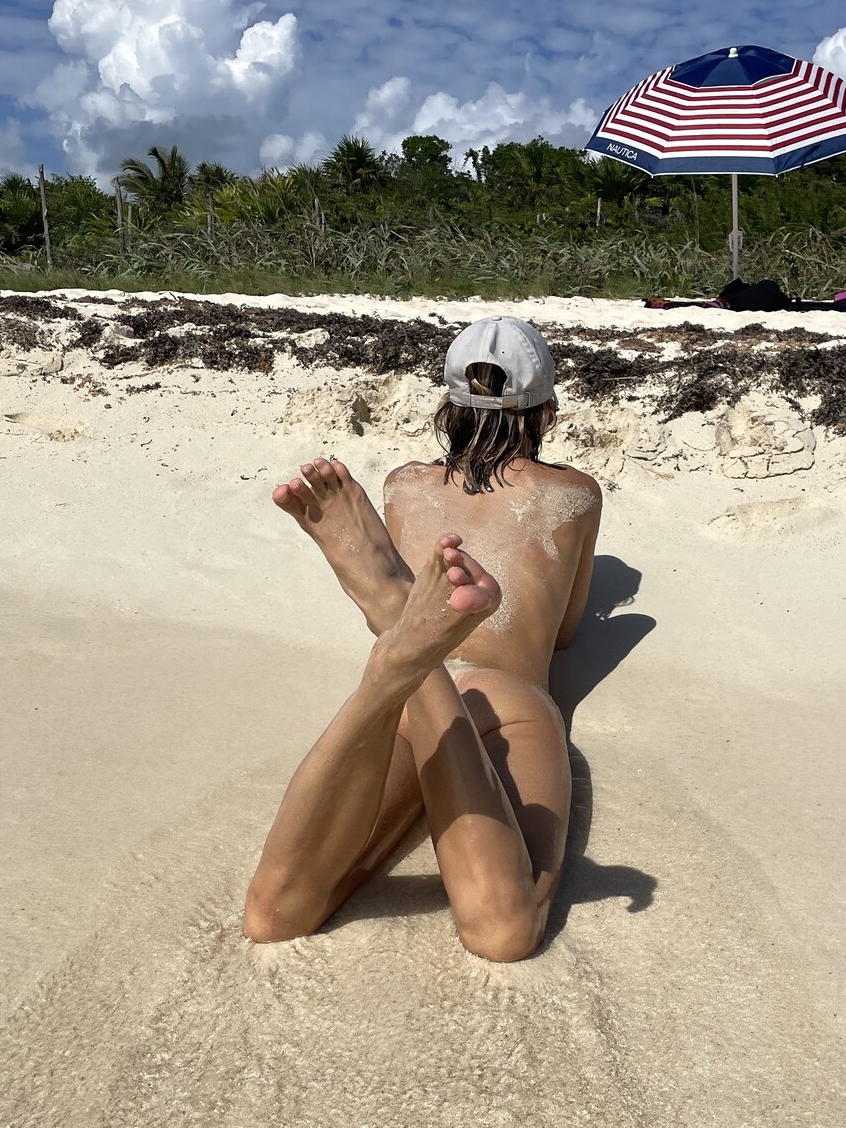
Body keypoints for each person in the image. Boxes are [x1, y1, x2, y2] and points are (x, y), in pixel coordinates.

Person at [244, 316, 602, 962]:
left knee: (273, 916)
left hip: (408, 703)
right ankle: (408, 641)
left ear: (447, 404)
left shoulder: (402, 485)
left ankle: (398, 626)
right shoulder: (573, 495)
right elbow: (567, 634)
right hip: (509, 700)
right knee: (505, 929)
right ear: (546, 412)